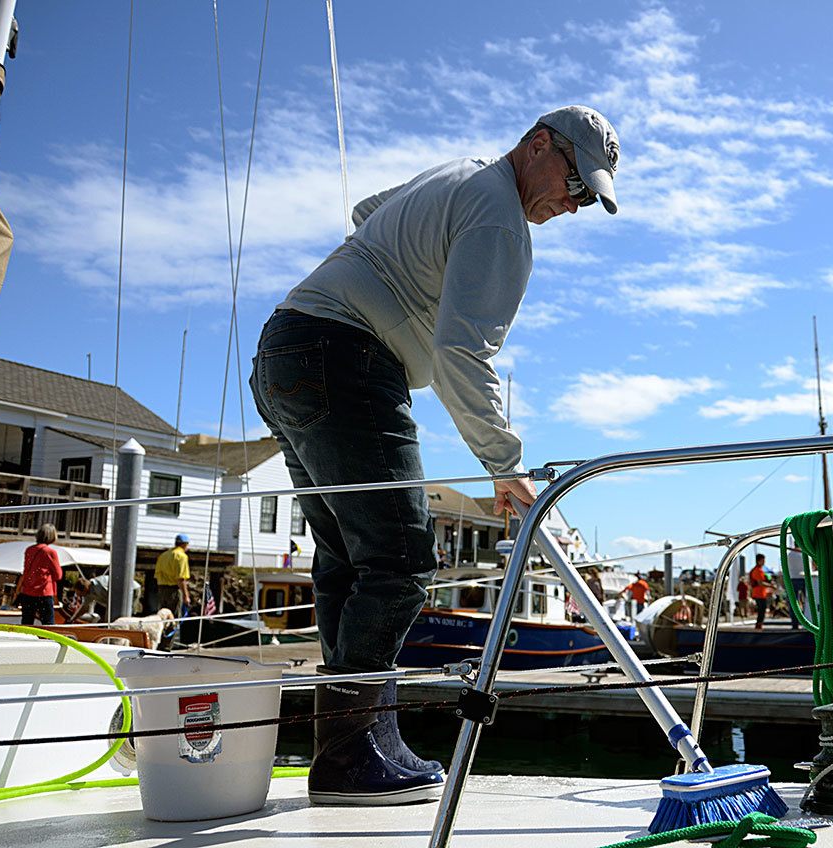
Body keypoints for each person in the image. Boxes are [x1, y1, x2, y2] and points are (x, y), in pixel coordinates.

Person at [249, 105, 620, 806]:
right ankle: (354, 752)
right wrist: (504, 464)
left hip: (284, 347)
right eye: (575, 183)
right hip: (346, 359)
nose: (572, 206)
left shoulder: (459, 174)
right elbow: (458, 353)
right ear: (538, 144)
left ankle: (352, 747)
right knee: (401, 558)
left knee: (349, 561)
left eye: (585, 199)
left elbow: (367, 212)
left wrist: (396, 265)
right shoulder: (499, 215)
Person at [16, 524, 63, 625]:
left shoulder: (29, 550)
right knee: (48, 624)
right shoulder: (50, 552)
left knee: (26, 623)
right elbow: (58, 575)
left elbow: (26, 570)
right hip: (44, 592)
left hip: (27, 591)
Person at [155, 534, 191, 615]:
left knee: (163, 617)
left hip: (162, 590)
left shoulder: (163, 555)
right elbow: (181, 579)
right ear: (184, 544)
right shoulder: (181, 556)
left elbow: (158, 574)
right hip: (174, 591)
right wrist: (186, 596)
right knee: (173, 618)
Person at [749, 554, 772, 631]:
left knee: (762, 610)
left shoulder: (759, 570)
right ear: (758, 561)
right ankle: (758, 625)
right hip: (759, 593)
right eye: (762, 560)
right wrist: (771, 585)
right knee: (761, 610)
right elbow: (760, 583)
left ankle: (759, 625)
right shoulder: (758, 570)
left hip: (761, 593)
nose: (764, 562)